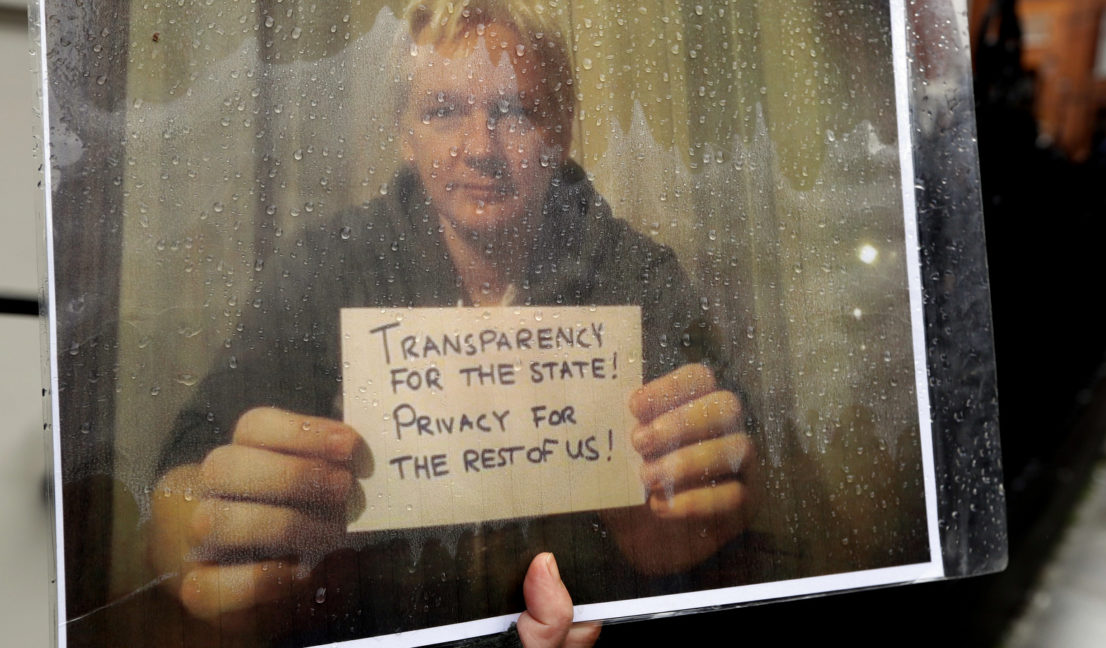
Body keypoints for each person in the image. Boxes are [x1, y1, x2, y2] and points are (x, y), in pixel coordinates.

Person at [147, 0, 758, 643]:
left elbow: (743, 445)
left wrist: (709, 506)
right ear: (405, 133)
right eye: (443, 112)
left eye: (516, 112)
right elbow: (188, 469)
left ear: (563, 129)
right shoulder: (328, 264)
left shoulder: (634, 272)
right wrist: (197, 537)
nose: (479, 149)